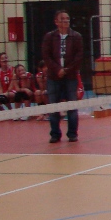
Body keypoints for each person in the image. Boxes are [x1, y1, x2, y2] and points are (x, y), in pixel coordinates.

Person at [41, 11, 83, 144]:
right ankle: (55, 134)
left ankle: (72, 134)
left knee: (72, 106)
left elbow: (79, 57)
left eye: (67, 18)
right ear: (56, 22)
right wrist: (57, 69)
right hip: (53, 77)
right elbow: (46, 56)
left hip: (70, 76)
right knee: (53, 107)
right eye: (63, 19)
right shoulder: (49, 37)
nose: (66, 21)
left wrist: (66, 70)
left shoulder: (76, 36)